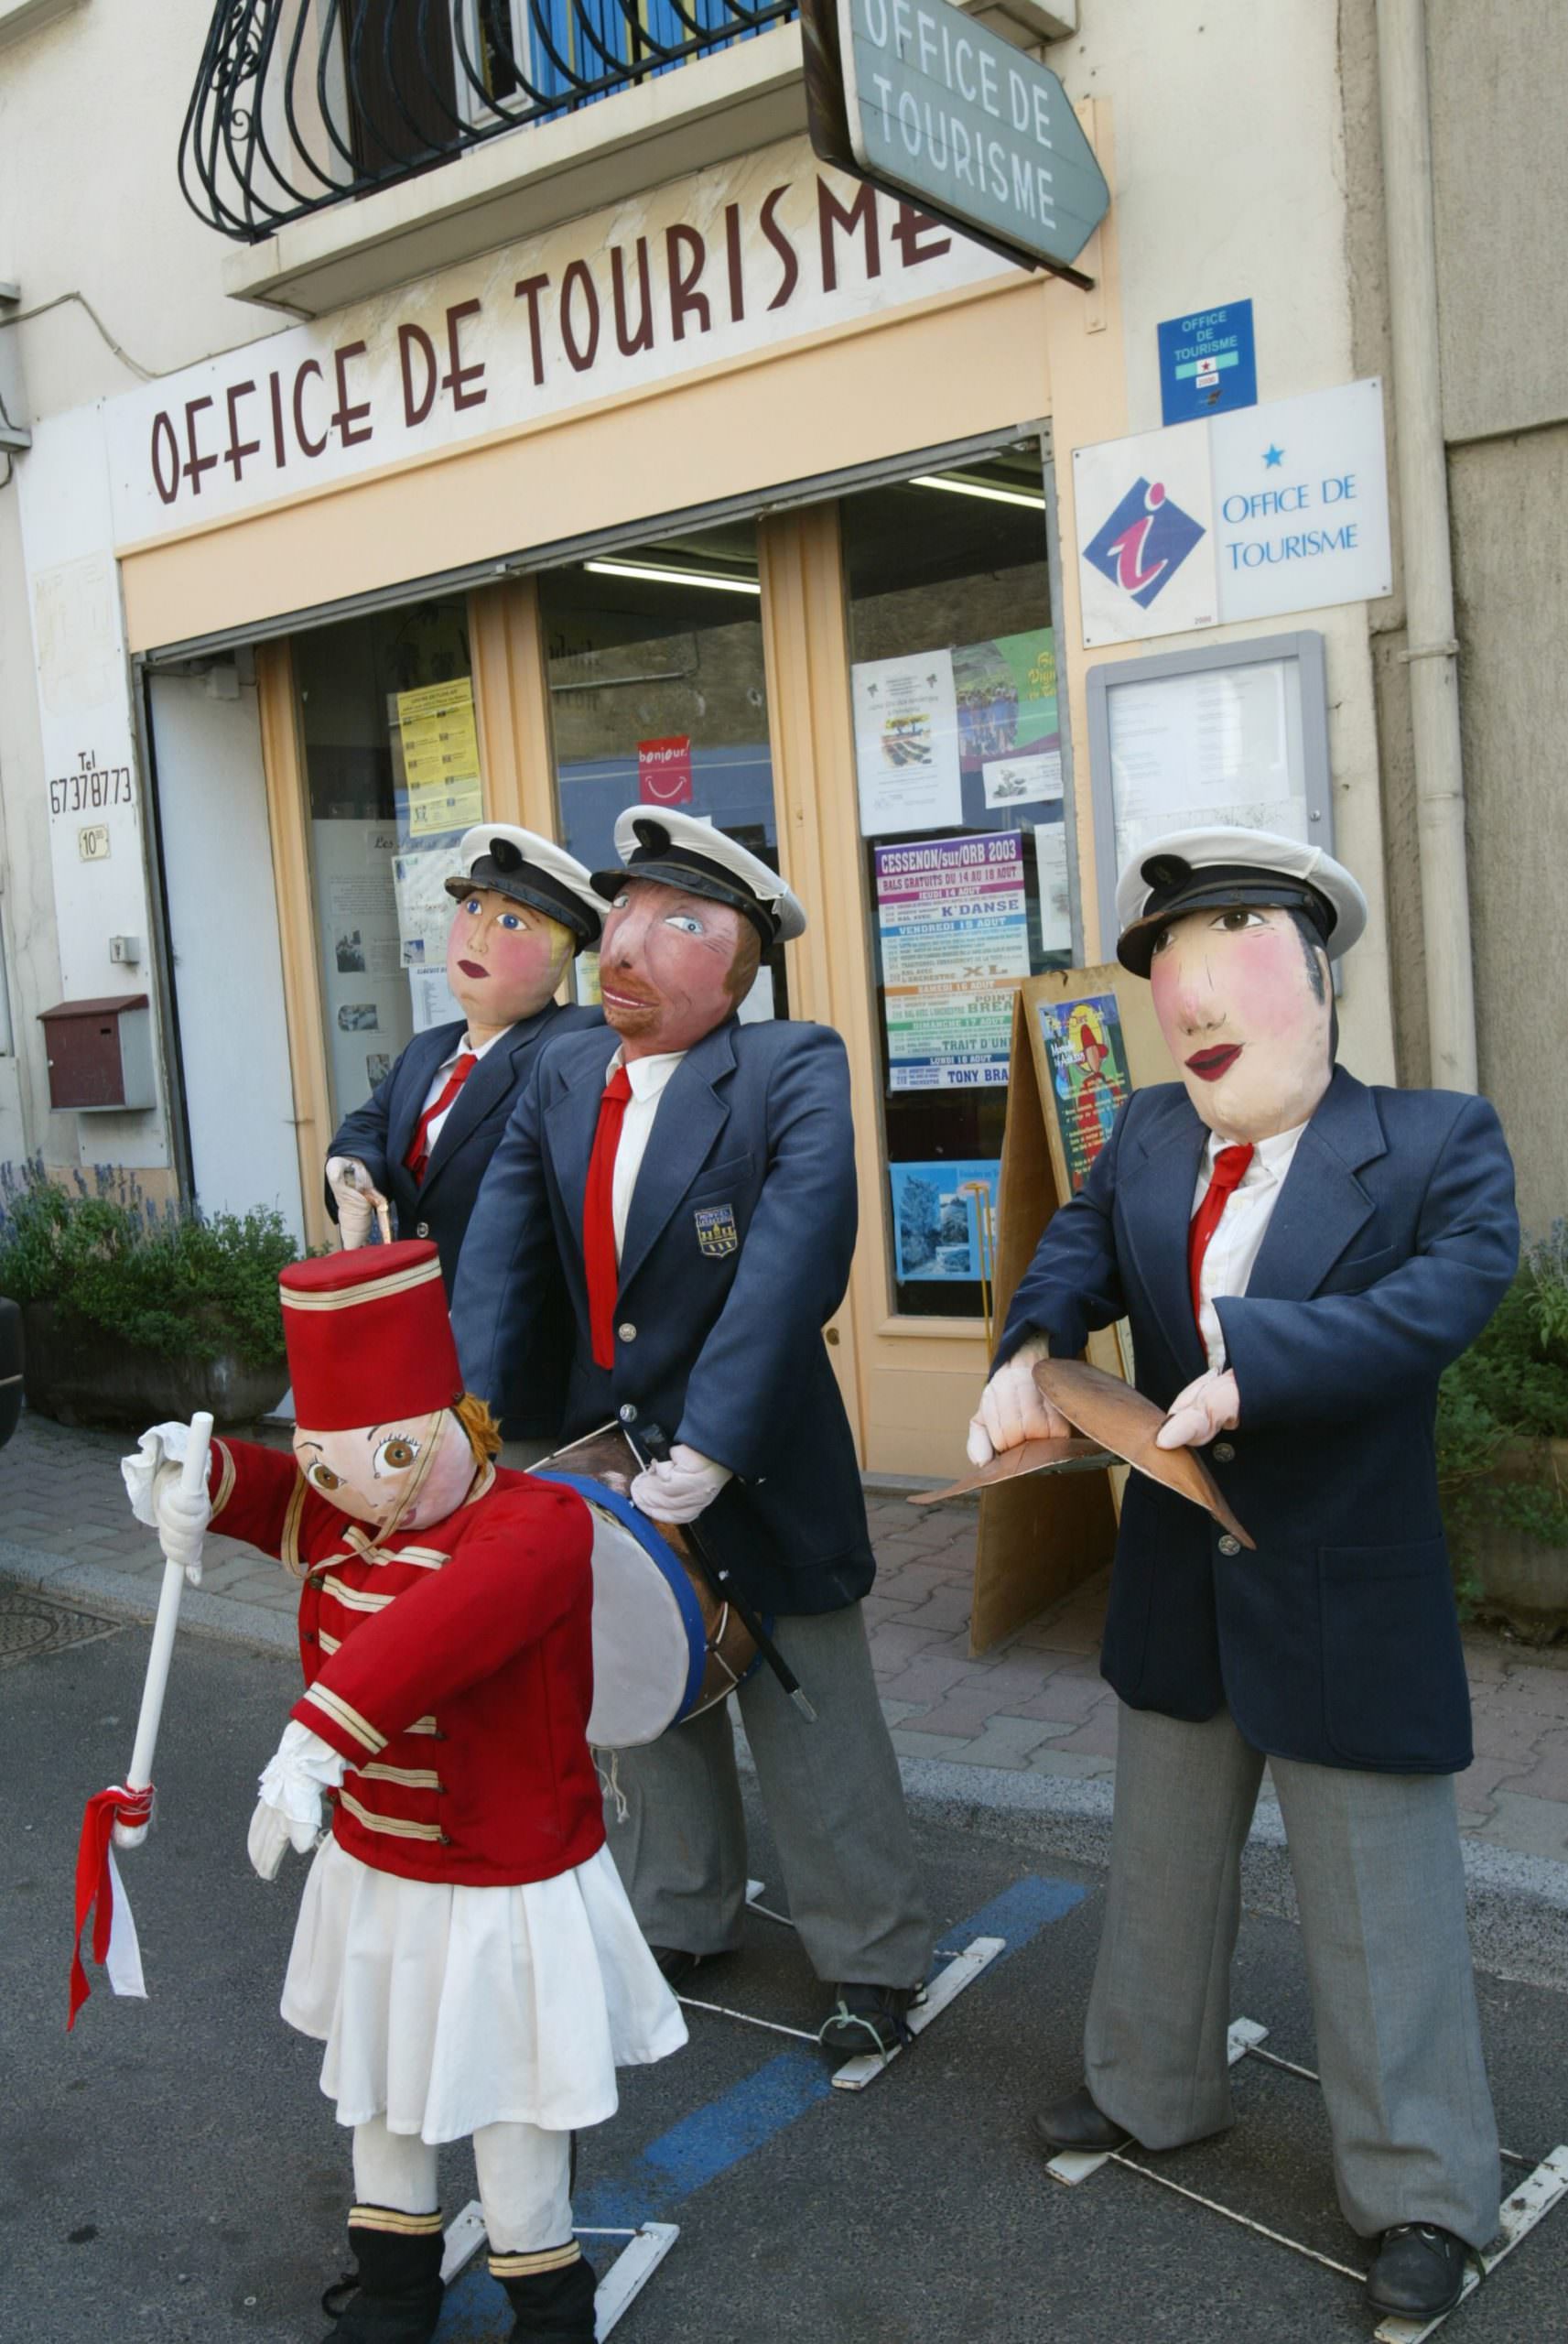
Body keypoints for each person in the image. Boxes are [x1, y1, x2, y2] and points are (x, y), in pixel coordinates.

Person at [968, 827, 1518, 2325]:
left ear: (1313, 981)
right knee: (1158, 1860)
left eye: (1230, 972)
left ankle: (1418, 2189)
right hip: (1176, 1574)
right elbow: (1076, 1243)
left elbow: (1444, 1294)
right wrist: (1029, 1354)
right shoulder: (1146, 1131)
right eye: (1172, 982)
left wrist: (1247, 1373)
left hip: (1340, 1583)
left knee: (1377, 1903)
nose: (1195, 1009)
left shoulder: (1432, 1138)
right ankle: (1149, 2088)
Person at [122, 1241, 686, 2344]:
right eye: (330, 1462)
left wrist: (318, 1733)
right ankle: (392, 2285)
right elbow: (281, 1491)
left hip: (502, 1876)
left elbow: (449, 1626)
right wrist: (197, 1478)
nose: (354, 1493)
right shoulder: (356, 1506)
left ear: (448, 1427)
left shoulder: (536, 1520)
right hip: (380, 1864)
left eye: (379, 1456)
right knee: (375, 2084)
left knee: (514, 2101)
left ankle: (549, 2304)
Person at [451, 808, 934, 2055]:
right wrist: (470, 1423)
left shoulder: (789, 1067)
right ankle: (682, 1906)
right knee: (642, 1682)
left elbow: (791, 1261)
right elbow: (502, 1256)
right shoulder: (560, 1070)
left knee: (807, 1696)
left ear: (740, 964)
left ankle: (868, 1955)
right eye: (623, 914)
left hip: (759, 1441)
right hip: (605, 1442)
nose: (631, 946)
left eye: (681, 924)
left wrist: (713, 1438)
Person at [326, 825, 604, 1439]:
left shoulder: (575, 1047)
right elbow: (368, 1123)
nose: (476, 933)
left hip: (522, 1372)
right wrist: (351, 1168)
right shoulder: (429, 1050)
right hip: (416, 1355)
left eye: (513, 924)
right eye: (472, 908)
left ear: (564, 956)